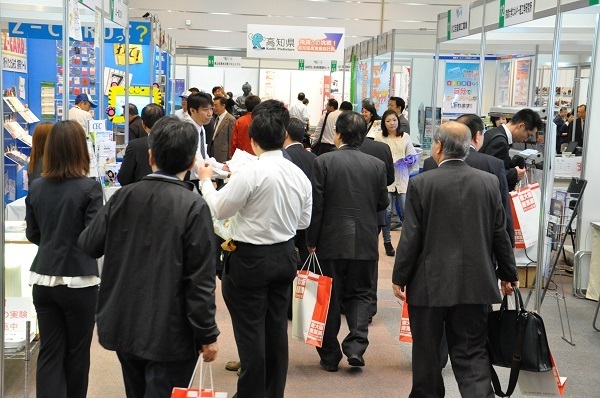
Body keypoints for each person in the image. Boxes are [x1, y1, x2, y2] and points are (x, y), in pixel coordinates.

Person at [79, 116, 219, 398]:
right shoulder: (194, 206)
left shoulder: (123, 196)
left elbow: (88, 243)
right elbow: (200, 279)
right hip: (172, 330)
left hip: (124, 322)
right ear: (193, 161)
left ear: (151, 155)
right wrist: (207, 333)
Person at [392, 121, 519, 397]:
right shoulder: (489, 182)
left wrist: (399, 277)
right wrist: (509, 274)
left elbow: (411, 237)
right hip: (476, 284)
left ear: (437, 147)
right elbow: (500, 233)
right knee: (472, 351)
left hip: (429, 284)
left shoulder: (422, 184)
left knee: (426, 353)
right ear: (469, 147)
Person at [198, 99, 312, 398]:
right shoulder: (298, 174)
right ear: (284, 136)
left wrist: (206, 182)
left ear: (253, 140)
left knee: (250, 334)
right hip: (285, 255)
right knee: (275, 331)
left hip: (250, 259)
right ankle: (273, 392)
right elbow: (304, 221)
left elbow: (220, 210)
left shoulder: (251, 172)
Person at [25, 120, 103, 398]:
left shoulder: (36, 187)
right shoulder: (90, 188)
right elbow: (96, 240)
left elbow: (33, 233)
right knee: (77, 355)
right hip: (80, 281)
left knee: (49, 352)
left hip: (43, 278)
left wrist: (53, 242)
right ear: (80, 149)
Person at [306, 111, 389, 372]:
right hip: (365, 239)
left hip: (331, 240)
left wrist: (311, 241)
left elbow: (316, 206)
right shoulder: (377, 165)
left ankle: (330, 356)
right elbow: (382, 203)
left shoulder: (323, 162)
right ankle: (355, 346)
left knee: (329, 296)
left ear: (338, 134)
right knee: (361, 293)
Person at [423, 113, 514, 247]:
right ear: (477, 136)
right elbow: (502, 211)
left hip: (438, 244)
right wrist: (509, 244)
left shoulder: (430, 163)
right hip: (482, 245)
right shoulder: (494, 165)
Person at [359, 124, 395, 322]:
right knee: (370, 259)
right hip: (374, 212)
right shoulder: (382, 149)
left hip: (343, 216)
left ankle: (345, 302)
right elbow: (390, 179)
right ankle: (369, 306)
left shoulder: (334, 154)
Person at [374, 110, 417, 257]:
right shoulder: (379, 138)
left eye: (394, 120)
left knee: (406, 210)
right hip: (386, 179)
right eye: (388, 121)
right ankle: (387, 242)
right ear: (384, 123)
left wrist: (408, 160)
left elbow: (412, 154)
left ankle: (408, 243)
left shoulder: (405, 136)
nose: (392, 123)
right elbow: (377, 158)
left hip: (402, 178)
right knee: (387, 212)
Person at [479, 108, 543, 190]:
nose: (527, 139)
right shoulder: (500, 142)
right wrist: (515, 174)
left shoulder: (494, 132)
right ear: (521, 126)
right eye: (528, 135)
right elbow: (490, 174)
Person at [285, 117, 317, 264]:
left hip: (286, 220)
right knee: (305, 265)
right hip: (308, 219)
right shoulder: (315, 159)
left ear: (285, 134)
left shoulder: (283, 158)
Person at [118, 104, 166, 186]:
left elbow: (124, 178)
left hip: (141, 194)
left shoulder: (135, 146)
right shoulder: (175, 143)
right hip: (171, 194)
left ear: (143, 124)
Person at [211, 96, 236, 163]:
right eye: (213, 105)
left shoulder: (230, 119)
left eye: (216, 105)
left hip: (223, 154)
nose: (213, 108)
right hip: (213, 152)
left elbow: (231, 139)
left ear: (223, 106)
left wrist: (230, 156)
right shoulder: (215, 118)